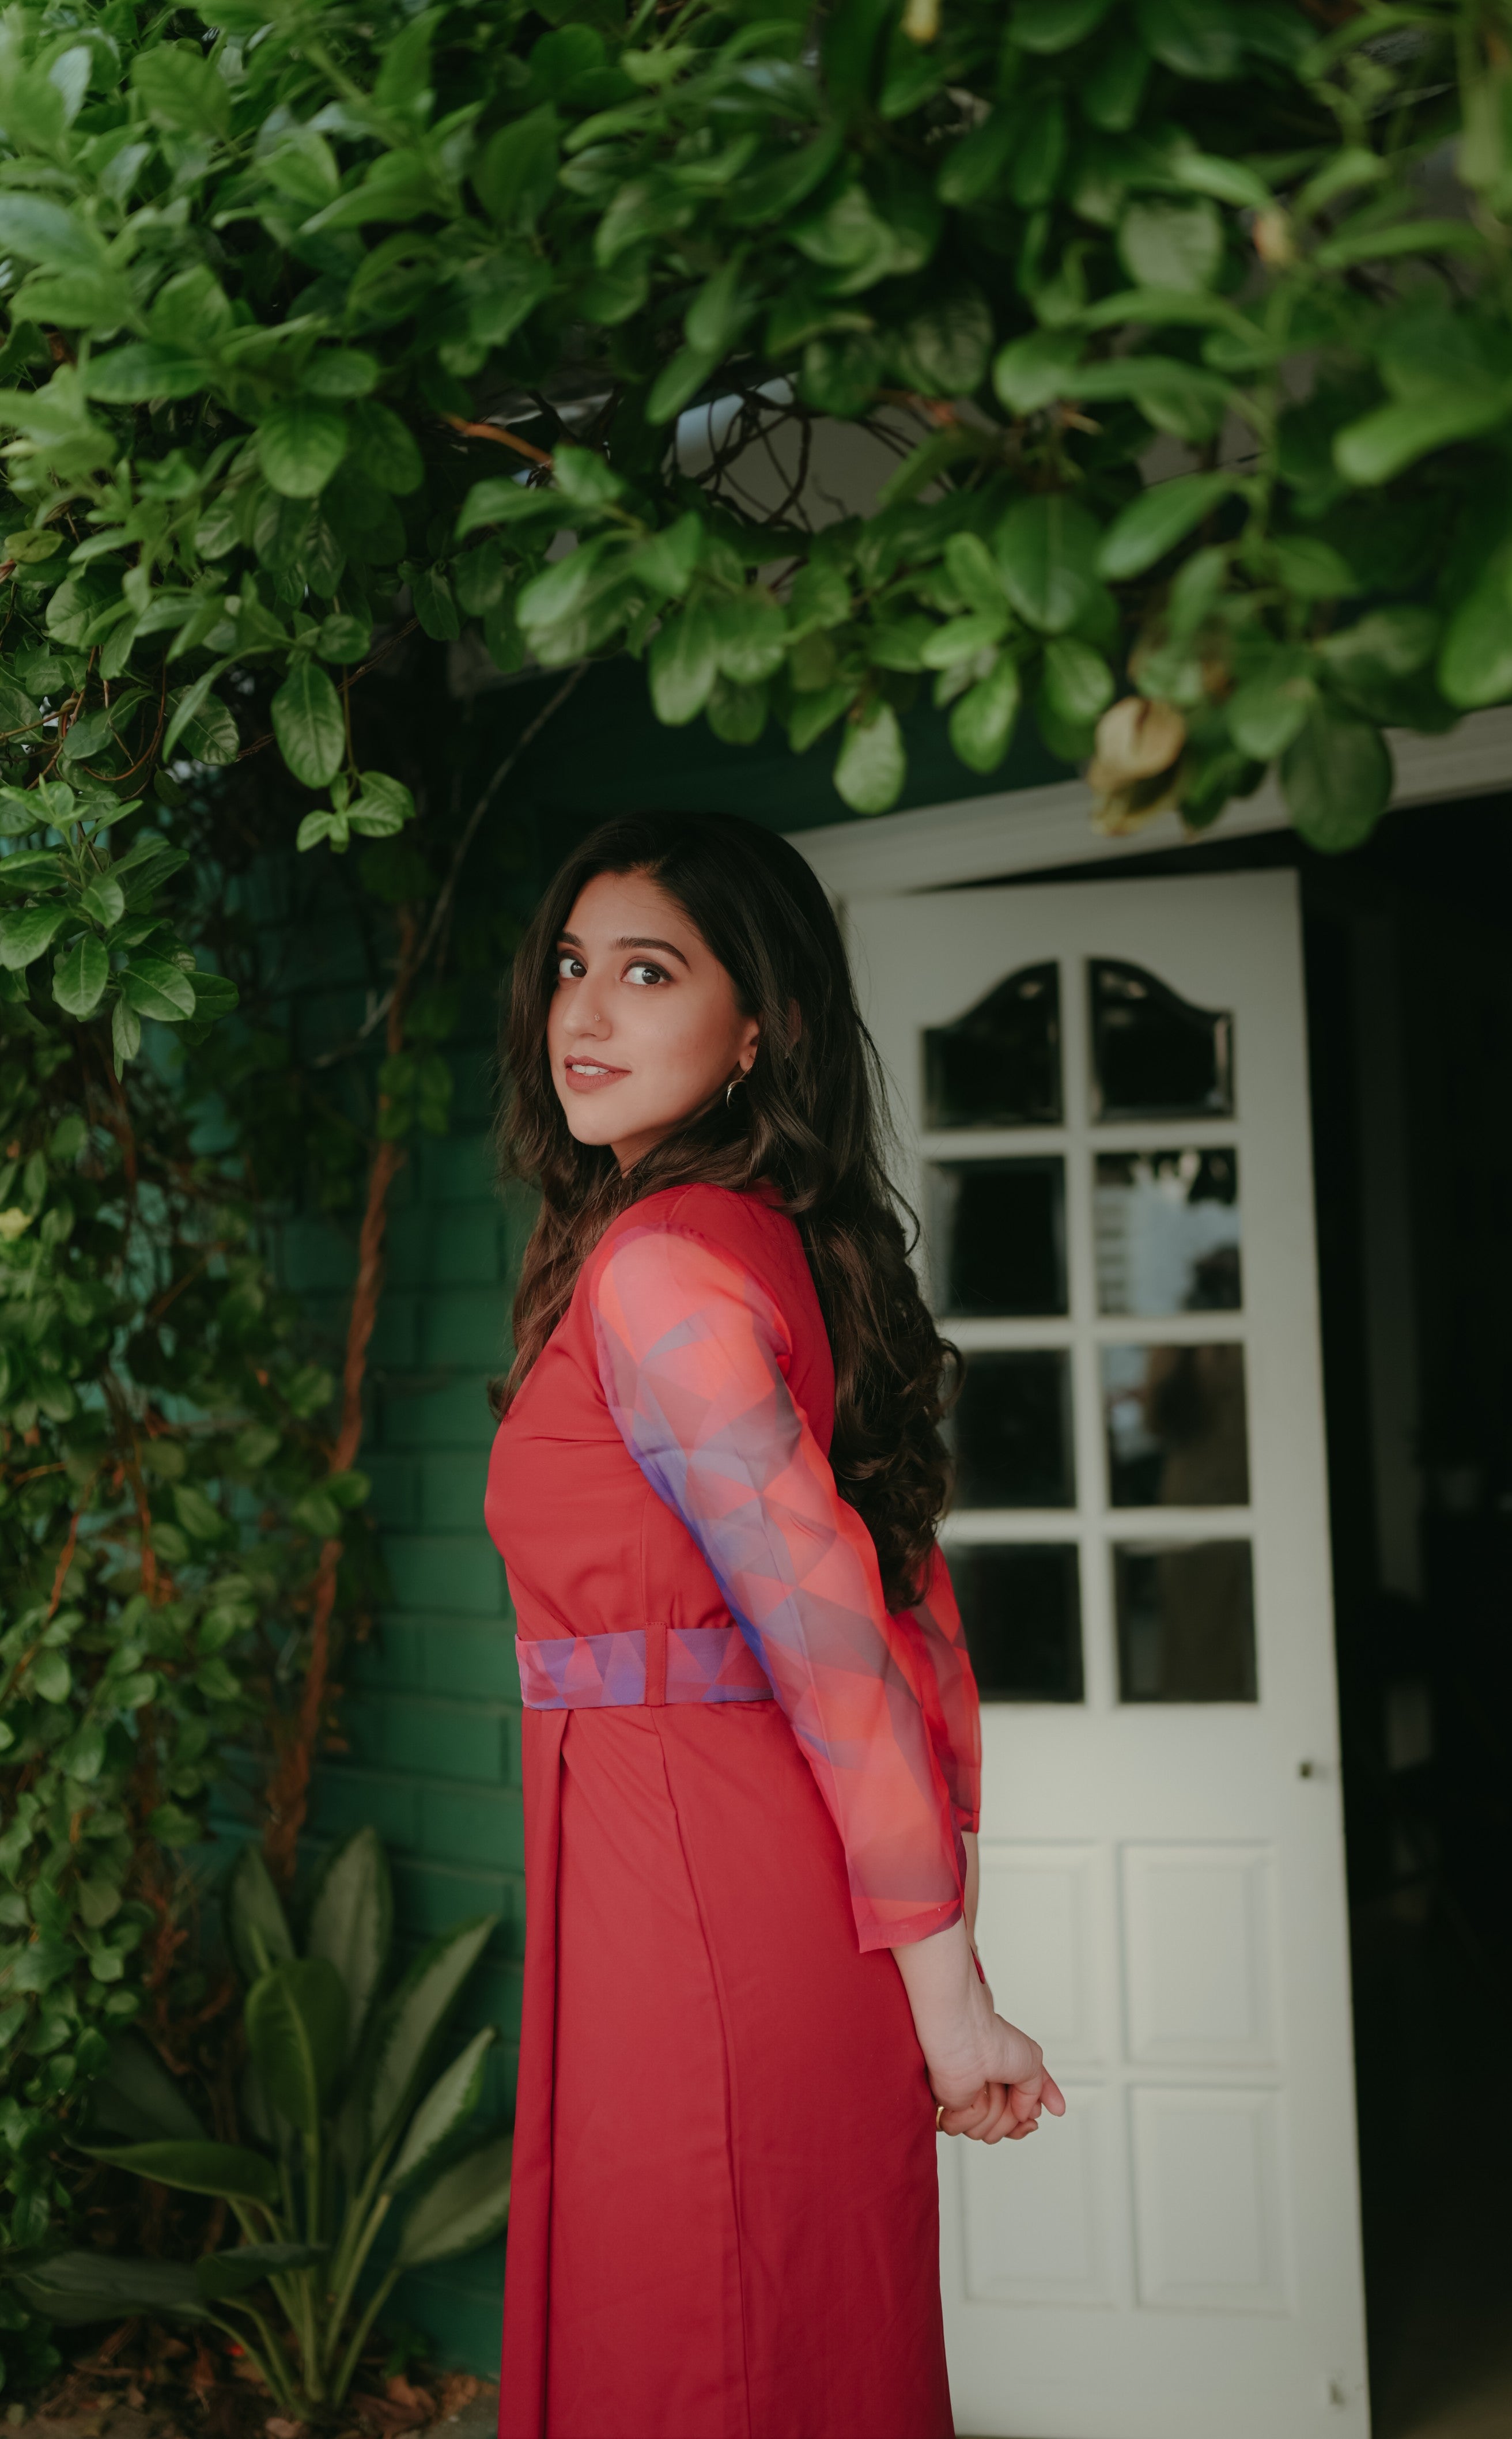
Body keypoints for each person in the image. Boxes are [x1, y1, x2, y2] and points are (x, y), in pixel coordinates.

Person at [485, 811, 1064, 2439]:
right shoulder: (751, 1250)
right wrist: (941, 1940)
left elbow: (848, 1653)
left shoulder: (665, 1274)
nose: (583, 1014)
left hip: (697, 1899)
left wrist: (951, 2002)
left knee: (711, 2356)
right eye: (572, 971)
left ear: (764, 1029)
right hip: (701, 1876)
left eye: (648, 971)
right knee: (765, 2344)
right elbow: (912, 1620)